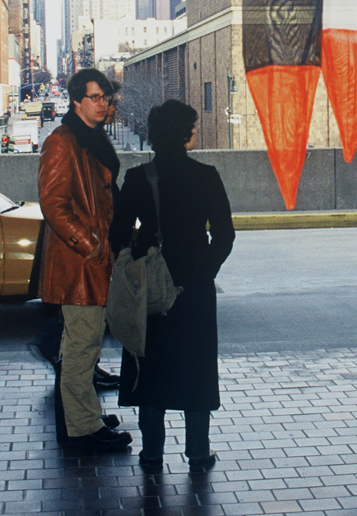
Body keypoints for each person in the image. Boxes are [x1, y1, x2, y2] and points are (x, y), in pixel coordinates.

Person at [112, 99, 235, 472]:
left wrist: (138, 259)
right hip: (194, 288)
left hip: (150, 287)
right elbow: (226, 235)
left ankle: (151, 455)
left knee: (151, 368)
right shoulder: (207, 174)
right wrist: (204, 270)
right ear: (185, 133)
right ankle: (198, 452)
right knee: (196, 368)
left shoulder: (136, 178)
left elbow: (118, 234)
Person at [38, 68, 131, 449]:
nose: (103, 104)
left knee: (84, 345)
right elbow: (53, 204)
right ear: (76, 100)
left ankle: (83, 415)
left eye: (106, 98)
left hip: (92, 261)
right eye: (95, 97)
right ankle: (82, 429)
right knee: (81, 347)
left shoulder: (89, 138)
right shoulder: (62, 141)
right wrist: (91, 245)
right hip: (80, 264)